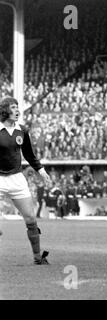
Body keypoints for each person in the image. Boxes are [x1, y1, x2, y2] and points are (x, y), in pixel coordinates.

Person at [0, 96, 52, 264]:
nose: (17, 110)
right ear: (4, 110)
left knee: (31, 219)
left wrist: (41, 171)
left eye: (17, 107)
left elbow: (29, 155)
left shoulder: (22, 130)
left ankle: (38, 257)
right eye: (13, 107)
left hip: (16, 178)